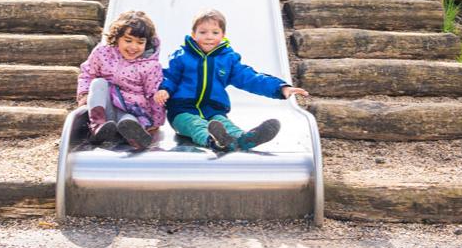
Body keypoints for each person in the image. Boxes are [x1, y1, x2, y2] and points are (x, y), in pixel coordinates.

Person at [155, 9, 309, 151]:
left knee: (225, 125)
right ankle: (214, 141)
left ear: (223, 35)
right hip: (182, 111)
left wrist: (279, 88)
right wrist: (164, 89)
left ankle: (244, 139)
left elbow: (250, 78)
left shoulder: (227, 59)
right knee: (196, 125)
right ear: (193, 34)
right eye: (203, 32)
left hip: (213, 110)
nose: (209, 36)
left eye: (215, 32)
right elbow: (170, 75)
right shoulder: (182, 56)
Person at [77, 11, 165, 149]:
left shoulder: (150, 66)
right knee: (98, 83)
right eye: (128, 40)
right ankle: (98, 127)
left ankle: (136, 137)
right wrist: (84, 95)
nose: (133, 47)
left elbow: (153, 94)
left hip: (133, 110)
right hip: (106, 110)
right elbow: (88, 73)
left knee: (128, 122)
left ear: (146, 43)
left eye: (140, 42)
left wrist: (156, 122)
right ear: (117, 37)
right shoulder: (102, 53)